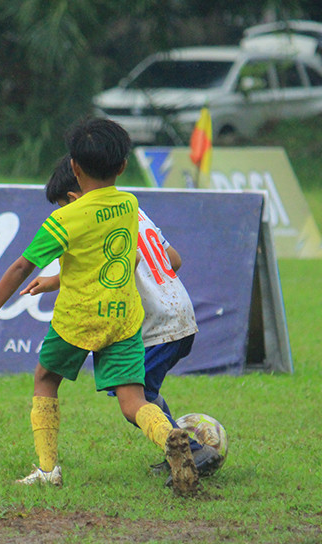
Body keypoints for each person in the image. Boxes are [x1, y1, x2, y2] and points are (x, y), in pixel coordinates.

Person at [0, 118, 200, 496]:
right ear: (122, 166)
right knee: (133, 401)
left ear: (74, 167)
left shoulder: (63, 219)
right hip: (122, 318)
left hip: (77, 319)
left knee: (45, 379)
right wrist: (57, 280)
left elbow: (21, 266)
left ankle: (48, 469)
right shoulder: (128, 204)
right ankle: (171, 436)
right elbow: (127, 259)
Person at [22, 155, 223, 482]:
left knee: (133, 400)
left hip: (155, 323)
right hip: (181, 312)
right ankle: (175, 451)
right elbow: (174, 259)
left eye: (60, 207)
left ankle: (194, 452)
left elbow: (107, 271)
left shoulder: (87, 220)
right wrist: (54, 280)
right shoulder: (133, 212)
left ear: (73, 199)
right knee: (144, 392)